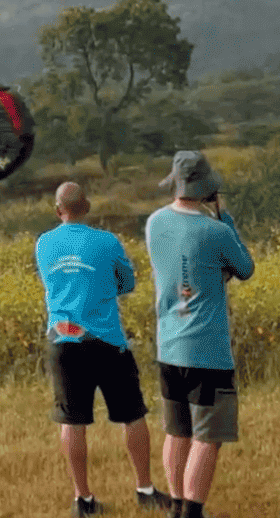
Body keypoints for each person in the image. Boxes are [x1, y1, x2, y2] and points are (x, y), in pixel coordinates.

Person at [35, 182, 172, 516]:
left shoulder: (44, 244)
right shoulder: (107, 242)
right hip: (108, 340)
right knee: (133, 415)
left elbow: (51, 282)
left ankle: (83, 498)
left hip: (63, 341)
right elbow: (128, 282)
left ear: (58, 210)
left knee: (72, 420)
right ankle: (144, 488)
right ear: (88, 207)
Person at [146, 151, 254, 518]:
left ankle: (177, 505)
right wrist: (230, 225)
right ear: (207, 188)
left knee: (177, 431)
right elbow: (244, 268)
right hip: (206, 351)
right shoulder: (216, 231)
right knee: (207, 437)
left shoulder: (154, 222)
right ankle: (192, 512)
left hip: (168, 346)